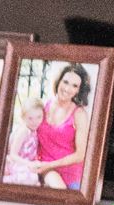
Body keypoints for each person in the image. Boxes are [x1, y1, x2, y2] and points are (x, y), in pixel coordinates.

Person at [35, 59, 91, 188]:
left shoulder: (79, 114)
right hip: (46, 169)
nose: (67, 88)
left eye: (74, 86)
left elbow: (80, 155)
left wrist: (49, 165)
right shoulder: (43, 106)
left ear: (78, 90)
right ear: (58, 81)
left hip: (70, 174)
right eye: (65, 82)